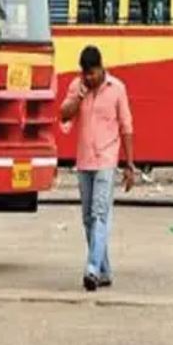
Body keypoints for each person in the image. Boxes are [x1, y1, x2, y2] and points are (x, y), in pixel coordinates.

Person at [60, 45, 135, 291]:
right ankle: (104, 270)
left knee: (99, 213)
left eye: (92, 73)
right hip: (84, 161)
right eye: (85, 74)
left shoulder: (118, 89)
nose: (89, 78)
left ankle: (92, 268)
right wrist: (79, 95)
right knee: (87, 219)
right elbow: (64, 115)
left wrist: (129, 164)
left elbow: (126, 127)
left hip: (106, 159)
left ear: (101, 68)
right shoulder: (76, 86)